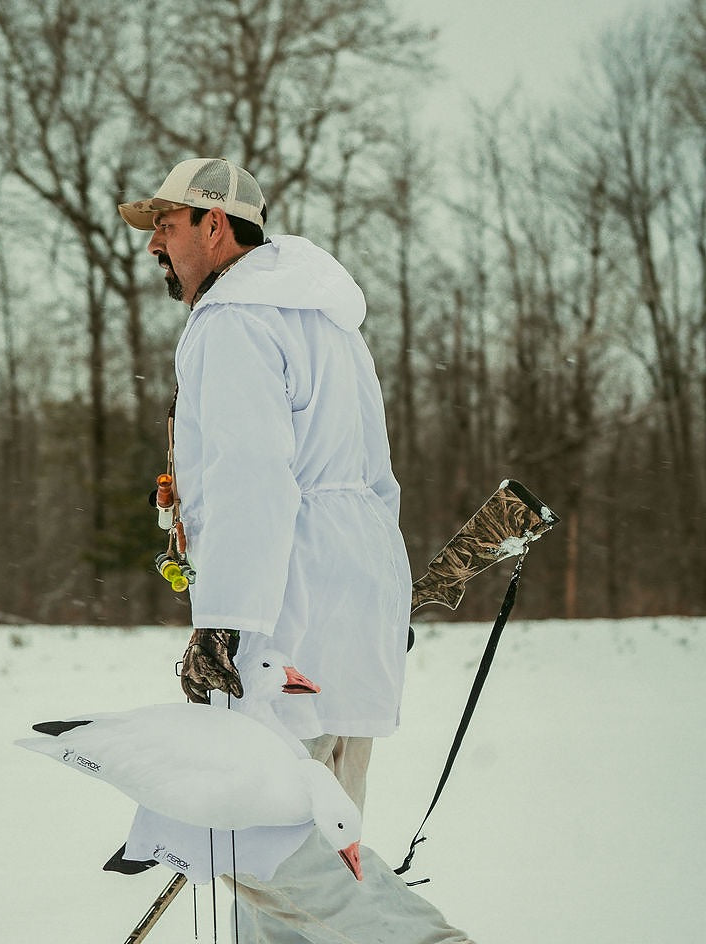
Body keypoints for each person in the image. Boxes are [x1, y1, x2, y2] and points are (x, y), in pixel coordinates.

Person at [118, 158, 473, 943]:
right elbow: (377, 481)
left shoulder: (234, 320)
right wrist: (384, 604)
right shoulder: (328, 319)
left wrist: (225, 625)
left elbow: (253, 480)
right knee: (316, 842)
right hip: (353, 608)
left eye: (166, 228)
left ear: (215, 226)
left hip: (287, 616)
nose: (154, 249)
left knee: (264, 844)